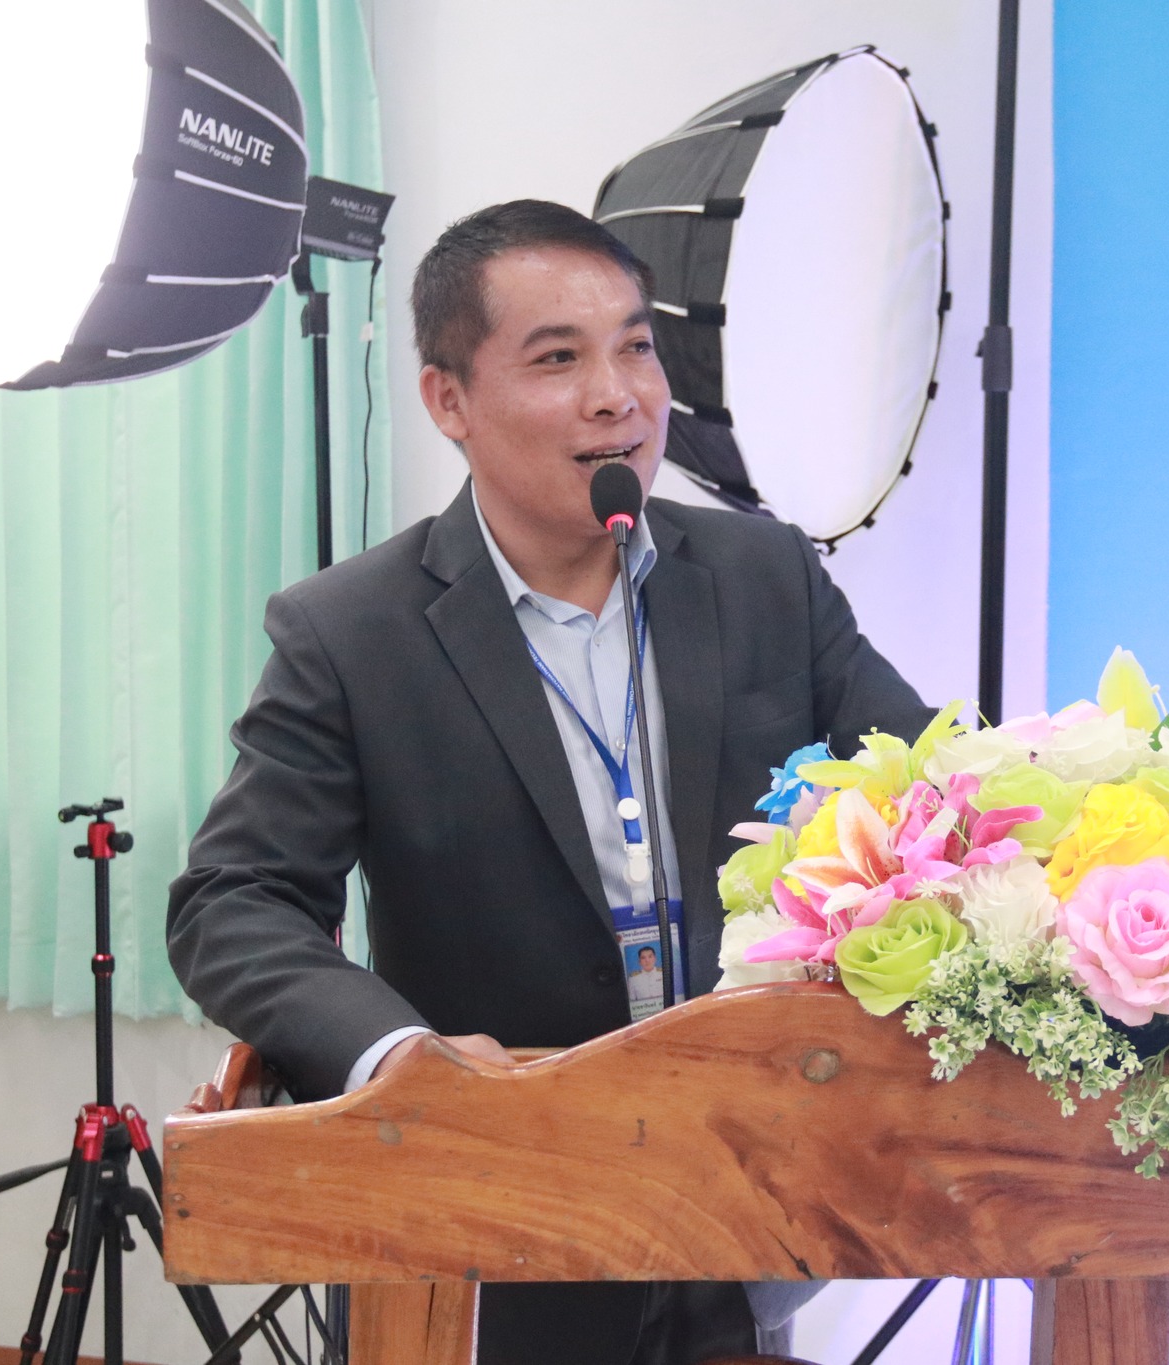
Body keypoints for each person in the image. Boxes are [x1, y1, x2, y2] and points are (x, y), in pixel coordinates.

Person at [166, 200, 932, 1365]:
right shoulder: (352, 633)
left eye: (635, 347)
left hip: (747, 1196)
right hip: (494, 1222)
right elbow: (232, 902)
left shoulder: (763, 575)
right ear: (448, 401)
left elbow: (935, 797)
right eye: (558, 358)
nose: (617, 396)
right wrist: (396, 1054)